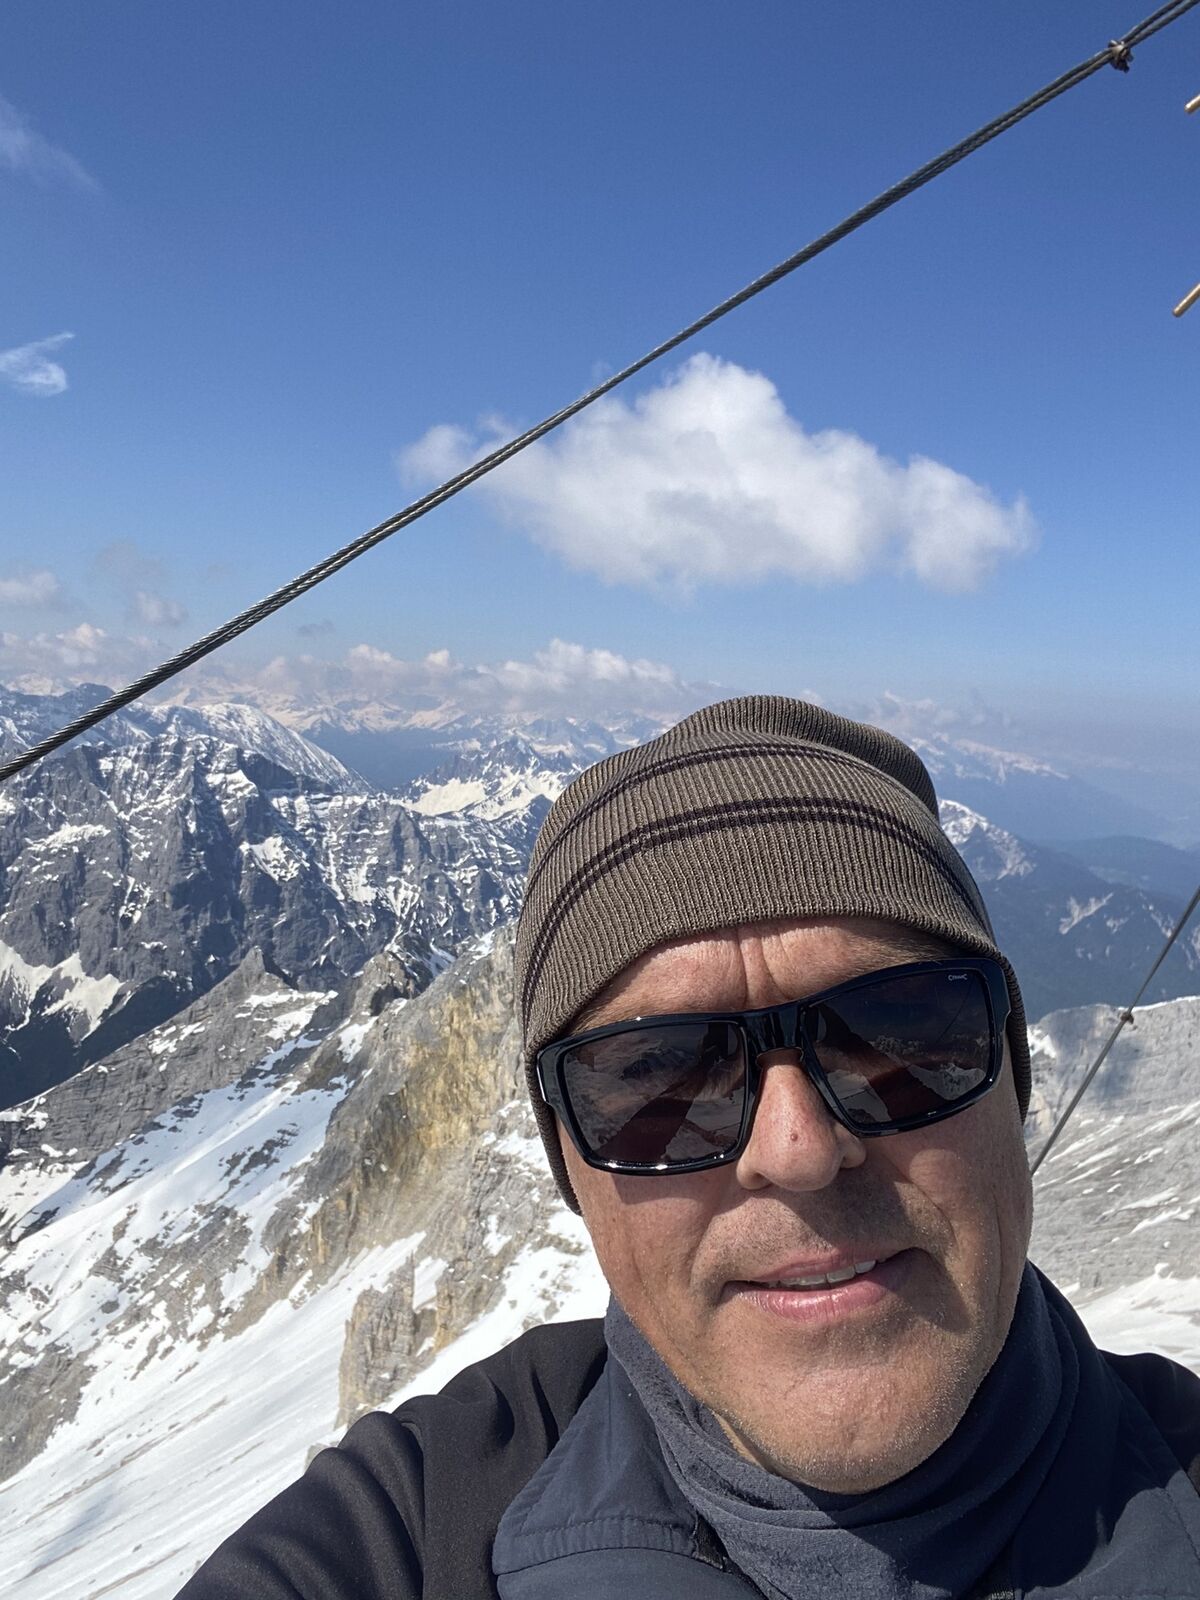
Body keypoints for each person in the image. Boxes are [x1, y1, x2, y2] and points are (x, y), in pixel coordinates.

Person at [178, 696, 1200, 1600]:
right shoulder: (415, 1522)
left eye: (900, 1034)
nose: (797, 1151)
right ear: (573, 1167)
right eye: (661, 1081)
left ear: (1011, 1080)